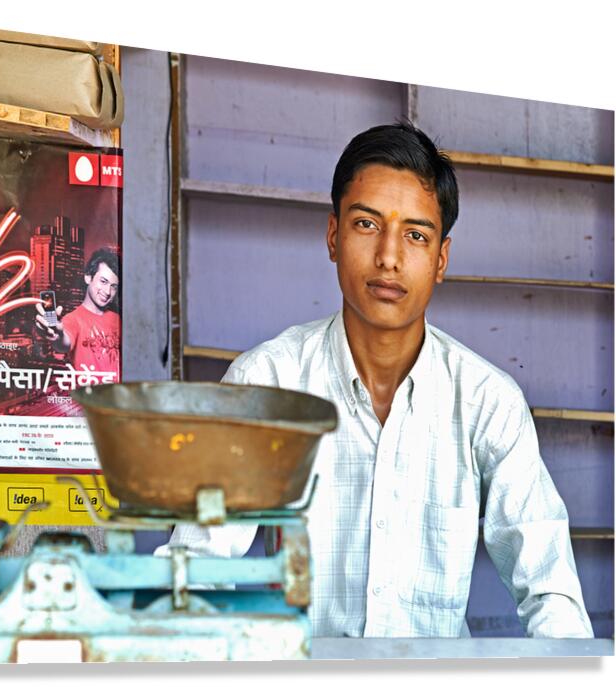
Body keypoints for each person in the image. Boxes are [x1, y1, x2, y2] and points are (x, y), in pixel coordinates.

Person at [158, 122, 593, 638]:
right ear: (333, 236)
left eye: (415, 235)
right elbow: (196, 569)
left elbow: (551, 592)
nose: (389, 256)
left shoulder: (487, 401)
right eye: (366, 224)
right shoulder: (266, 383)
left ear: (441, 260)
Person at [35, 247, 121, 379]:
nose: (108, 291)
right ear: (88, 278)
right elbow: (63, 344)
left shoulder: (117, 319)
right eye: (103, 281)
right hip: (89, 392)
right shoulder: (73, 319)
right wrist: (56, 336)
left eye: (113, 286)